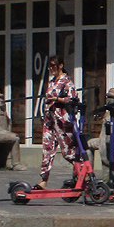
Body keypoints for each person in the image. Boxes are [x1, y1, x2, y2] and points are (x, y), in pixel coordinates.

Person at [36, 56, 78, 189]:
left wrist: (58, 99)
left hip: (62, 121)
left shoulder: (66, 80)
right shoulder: (51, 82)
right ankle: (44, 180)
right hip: (50, 120)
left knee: (68, 152)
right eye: (49, 66)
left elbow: (73, 98)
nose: (51, 68)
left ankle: (83, 173)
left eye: (54, 66)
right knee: (47, 149)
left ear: (60, 65)